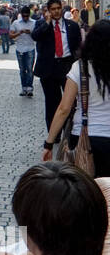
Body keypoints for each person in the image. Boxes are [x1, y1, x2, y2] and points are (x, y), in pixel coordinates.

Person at [42, 18, 110, 176]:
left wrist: (49, 143)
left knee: (85, 193)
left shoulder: (80, 67)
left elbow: (64, 109)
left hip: (83, 139)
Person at [33, 0, 82, 131]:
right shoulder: (41, 24)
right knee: (52, 103)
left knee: (71, 102)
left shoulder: (72, 25)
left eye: (58, 8)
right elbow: (35, 36)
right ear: (48, 10)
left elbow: (78, 45)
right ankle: (54, 133)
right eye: (53, 9)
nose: (56, 11)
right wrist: (47, 22)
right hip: (49, 68)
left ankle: (71, 130)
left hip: (67, 66)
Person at [10, 4, 36, 97]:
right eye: (24, 16)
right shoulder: (16, 23)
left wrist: (31, 32)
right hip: (20, 48)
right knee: (22, 70)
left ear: (29, 15)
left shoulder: (34, 23)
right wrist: (19, 33)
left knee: (29, 69)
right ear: (21, 14)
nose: (25, 18)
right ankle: (23, 88)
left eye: (27, 16)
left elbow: (37, 35)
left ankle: (29, 88)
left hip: (30, 48)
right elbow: (11, 35)